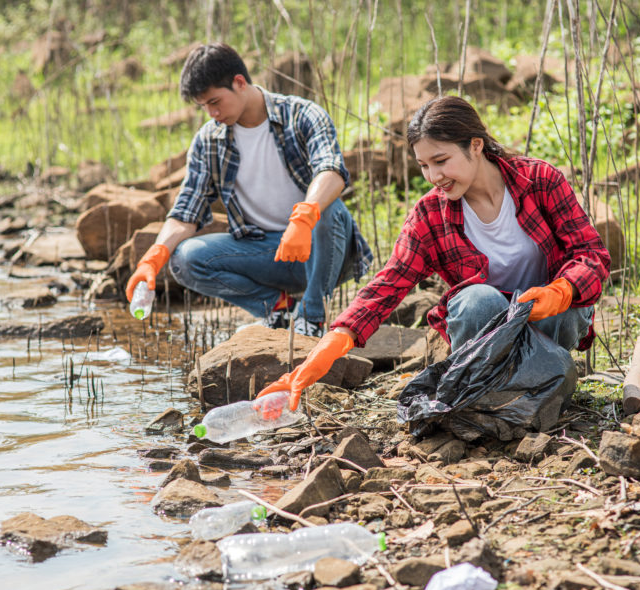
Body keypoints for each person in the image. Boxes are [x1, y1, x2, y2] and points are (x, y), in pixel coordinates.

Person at [259, 95, 610, 409]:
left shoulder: (539, 180)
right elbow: (387, 284)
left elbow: (591, 254)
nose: (433, 176)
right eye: (424, 165)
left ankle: (544, 389)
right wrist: (327, 349)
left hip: (546, 319)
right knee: (478, 301)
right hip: (484, 335)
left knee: (571, 304)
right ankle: (487, 397)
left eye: (441, 160)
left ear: (475, 145)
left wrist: (561, 290)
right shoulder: (430, 214)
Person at [125, 43, 372, 337]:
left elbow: (331, 171)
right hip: (268, 254)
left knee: (329, 207)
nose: (212, 113)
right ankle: (278, 311)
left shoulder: (303, 114)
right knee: (184, 259)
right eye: (204, 107)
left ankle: (312, 317)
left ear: (240, 83)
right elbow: (186, 211)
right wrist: (154, 256)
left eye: (215, 101)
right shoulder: (209, 140)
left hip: (324, 249)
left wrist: (303, 218)